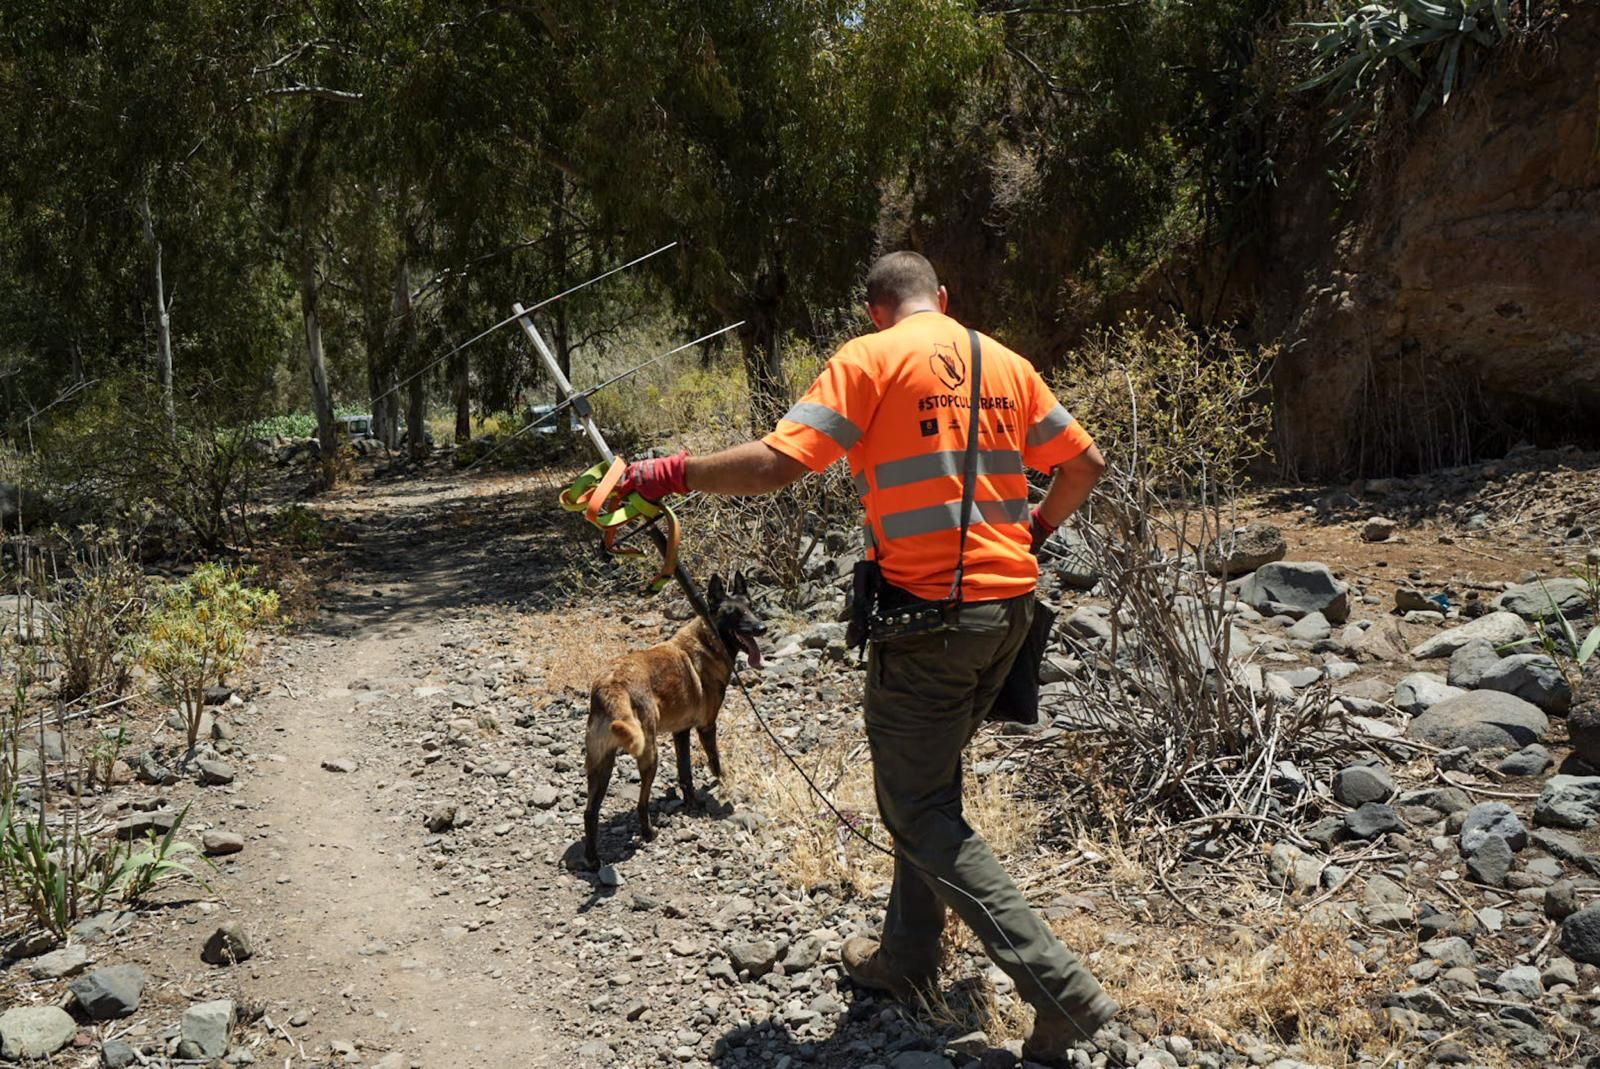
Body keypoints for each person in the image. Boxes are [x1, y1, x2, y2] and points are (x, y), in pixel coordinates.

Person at [619, 251, 1116, 1063]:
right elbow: (1084, 464)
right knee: (928, 789)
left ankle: (1063, 992)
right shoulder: (1005, 361)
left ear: (876, 310)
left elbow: (779, 464)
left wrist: (668, 473)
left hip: (930, 623)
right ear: (943, 299)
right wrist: (1033, 531)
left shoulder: (871, 357)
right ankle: (909, 959)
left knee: (919, 809)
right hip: (1012, 616)